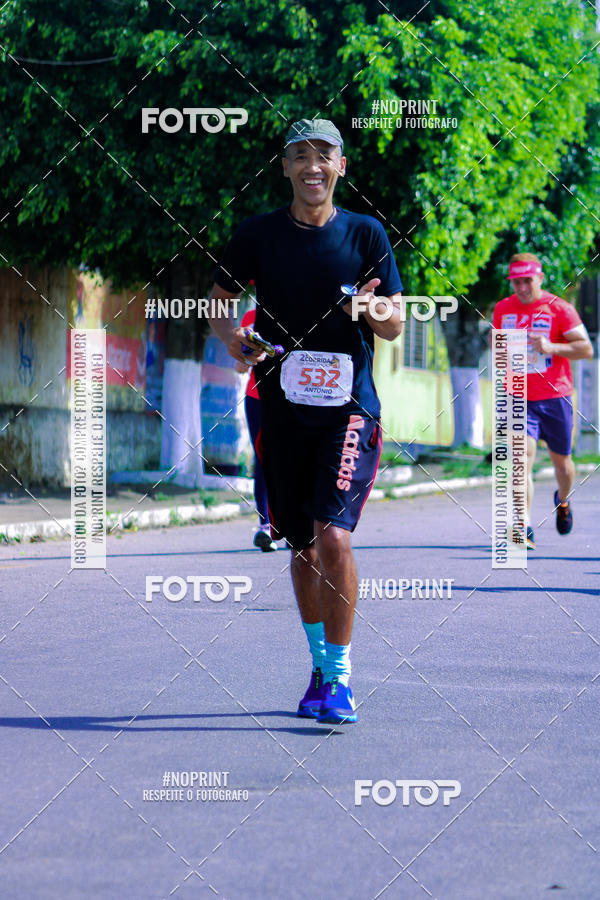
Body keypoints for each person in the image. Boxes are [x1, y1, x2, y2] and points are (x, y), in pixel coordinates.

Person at [208, 118, 403, 724]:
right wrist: (234, 341)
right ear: (286, 167)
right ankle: (319, 666)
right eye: (300, 156)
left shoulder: (367, 234)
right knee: (301, 545)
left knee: (333, 534)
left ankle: (342, 680)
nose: (312, 166)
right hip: (281, 407)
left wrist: (373, 309)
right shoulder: (257, 234)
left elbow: (395, 323)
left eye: (324, 156)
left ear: (341, 167)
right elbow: (219, 301)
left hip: (350, 409)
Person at [492, 253, 593, 549]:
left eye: (527, 281)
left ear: (540, 278)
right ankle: (523, 525)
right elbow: (499, 348)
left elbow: (585, 349)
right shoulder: (502, 309)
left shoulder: (559, 309)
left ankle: (563, 501)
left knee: (563, 466)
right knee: (521, 460)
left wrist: (551, 346)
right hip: (519, 395)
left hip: (556, 396)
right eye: (516, 282)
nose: (522, 288)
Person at [235, 303, 278, 552]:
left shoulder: (295, 311)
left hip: (289, 399)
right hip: (257, 398)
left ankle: (293, 523)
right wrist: (245, 357)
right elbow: (240, 365)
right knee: (262, 458)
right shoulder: (250, 318)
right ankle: (264, 527)